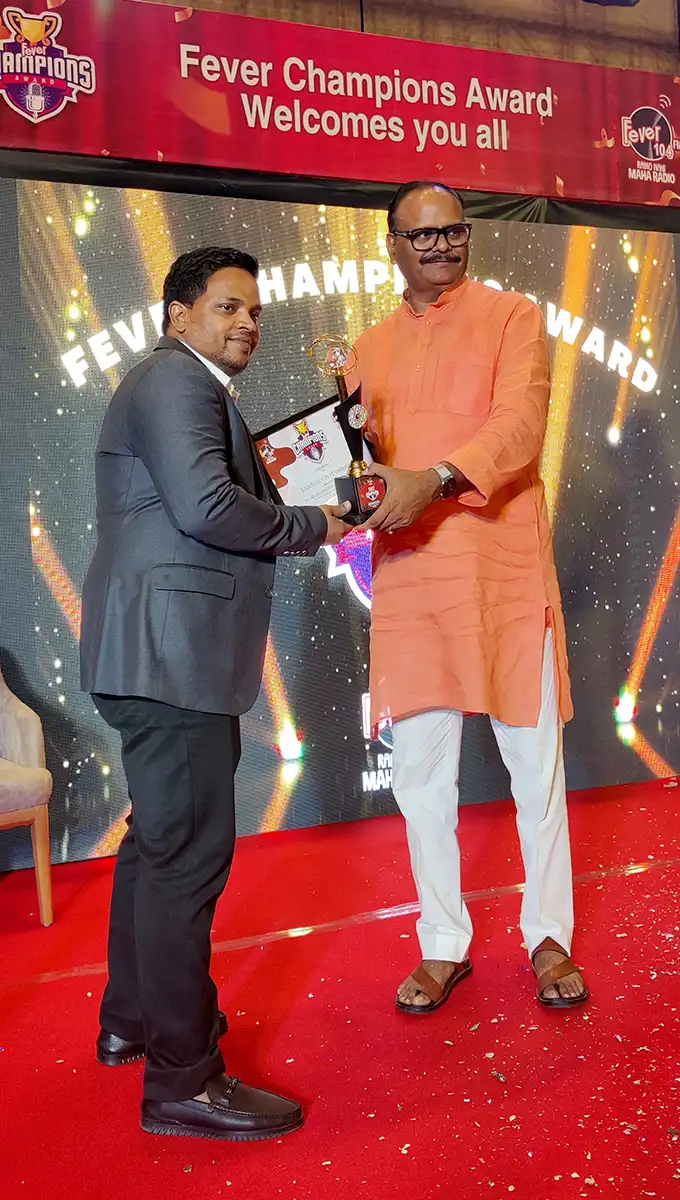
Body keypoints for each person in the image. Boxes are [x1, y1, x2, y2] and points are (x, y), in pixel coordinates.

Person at [80, 246, 351, 1140]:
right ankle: (184, 1080)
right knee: (186, 861)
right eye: (228, 306)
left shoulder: (183, 385)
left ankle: (132, 1020)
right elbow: (207, 508)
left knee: (157, 848)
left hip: (156, 656)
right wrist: (316, 523)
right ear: (178, 315)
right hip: (172, 658)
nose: (247, 323)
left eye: (255, 311)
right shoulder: (177, 381)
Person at [347, 182, 588, 1014]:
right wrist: (337, 480)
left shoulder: (513, 317)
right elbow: (366, 467)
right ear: (393, 244)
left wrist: (437, 478)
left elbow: (520, 428)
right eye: (421, 235)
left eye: (452, 231)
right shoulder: (365, 348)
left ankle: (548, 935)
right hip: (413, 578)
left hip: (503, 572)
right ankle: (443, 942)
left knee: (535, 768)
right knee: (419, 776)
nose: (440, 245)